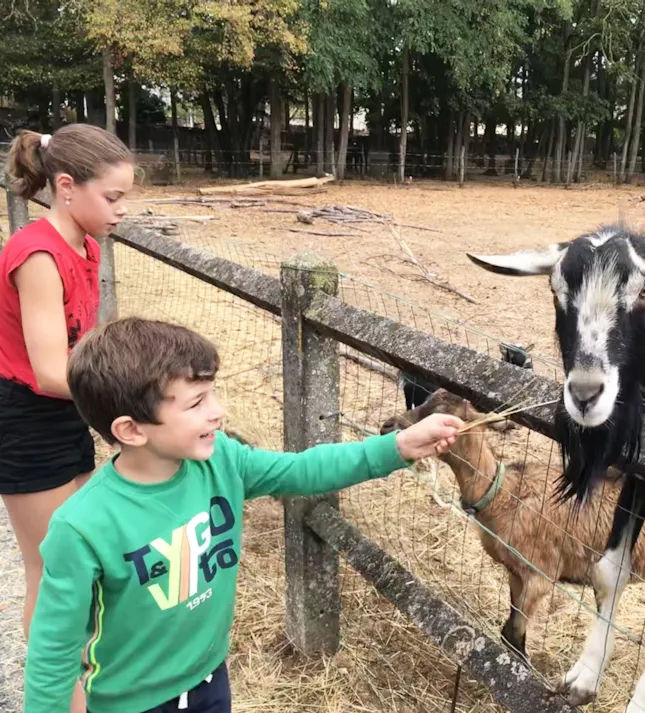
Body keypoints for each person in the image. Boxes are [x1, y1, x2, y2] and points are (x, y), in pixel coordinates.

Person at [23, 317, 462, 713]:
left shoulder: (221, 462)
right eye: (195, 403)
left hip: (211, 680)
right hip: (130, 703)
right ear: (131, 429)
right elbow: (54, 650)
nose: (217, 411)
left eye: (211, 394)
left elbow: (301, 470)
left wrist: (397, 447)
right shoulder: (81, 526)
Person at [0, 124, 134, 713]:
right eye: (113, 197)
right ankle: (63, 701)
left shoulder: (85, 244)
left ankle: (88, 682)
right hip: (28, 415)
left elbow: (85, 341)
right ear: (65, 186)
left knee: (82, 558)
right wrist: (128, 385)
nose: (122, 210)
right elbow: (54, 370)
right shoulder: (36, 254)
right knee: (51, 568)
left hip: (65, 414)